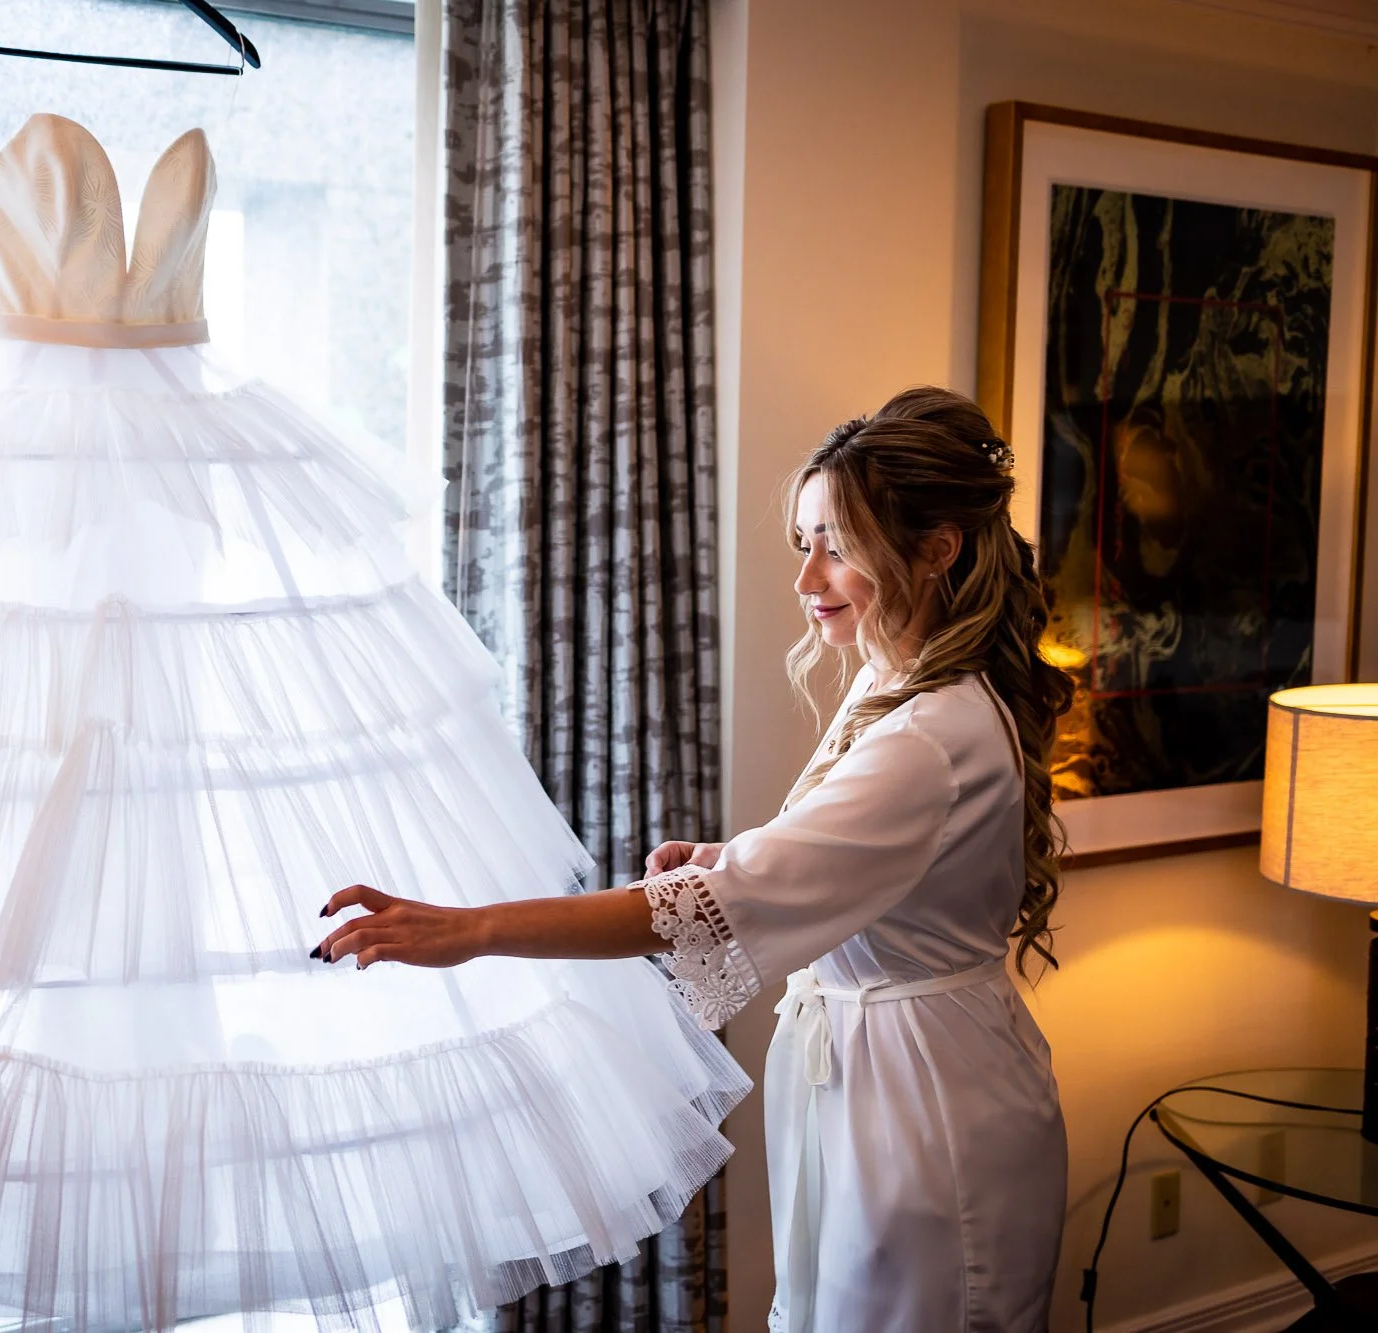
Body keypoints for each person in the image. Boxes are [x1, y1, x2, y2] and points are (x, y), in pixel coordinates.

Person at [317, 386, 1073, 1333]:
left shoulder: (927, 732)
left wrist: (469, 929)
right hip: (890, 1073)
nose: (807, 578)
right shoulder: (898, 681)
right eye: (805, 543)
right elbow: (875, 860)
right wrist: (732, 856)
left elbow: (712, 905)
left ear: (937, 548)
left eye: (838, 546)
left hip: (929, 1103)